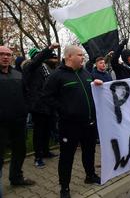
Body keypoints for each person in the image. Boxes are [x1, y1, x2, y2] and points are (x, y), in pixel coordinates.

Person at [42, 45, 101, 198]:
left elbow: (94, 87)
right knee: (67, 156)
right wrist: (64, 109)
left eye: (83, 55)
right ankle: (65, 188)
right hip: (69, 125)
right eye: (80, 55)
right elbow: (46, 97)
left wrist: (98, 84)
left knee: (89, 151)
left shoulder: (86, 73)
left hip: (89, 123)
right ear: (69, 57)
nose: (83, 58)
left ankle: (90, 176)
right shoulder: (56, 76)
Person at [0, 46, 35, 196]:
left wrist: (26, 109)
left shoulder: (17, 74)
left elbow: (26, 93)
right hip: (0, 125)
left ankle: (16, 177)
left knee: (20, 151)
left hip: (18, 121)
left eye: (8, 54)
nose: (5, 57)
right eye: (1, 54)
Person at [22, 44, 60, 168]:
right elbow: (39, 59)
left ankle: (46, 151)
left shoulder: (45, 67)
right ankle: (38, 157)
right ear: (34, 57)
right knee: (39, 132)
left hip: (48, 104)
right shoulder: (30, 66)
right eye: (38, 55)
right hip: (37, 105)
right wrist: (49, 48)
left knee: (48, 130)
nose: (40, 57)